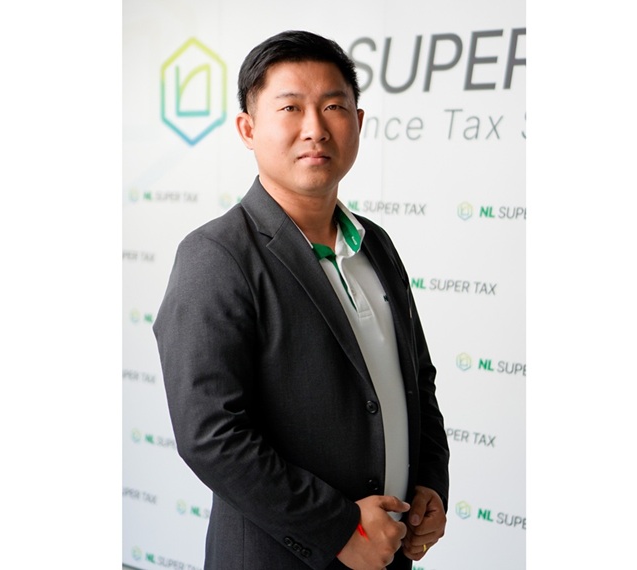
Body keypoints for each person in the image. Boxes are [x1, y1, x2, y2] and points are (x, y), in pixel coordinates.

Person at [153, 30, 449, 570]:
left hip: (389, 549)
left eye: (334, 106)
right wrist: (338, 529)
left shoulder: (376, 244)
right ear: (248, 129)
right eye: (290, 108)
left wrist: (430, 483)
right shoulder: (216, 256)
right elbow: (211, 435)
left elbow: (417, 380)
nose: (315, 128)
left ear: (358, 122)